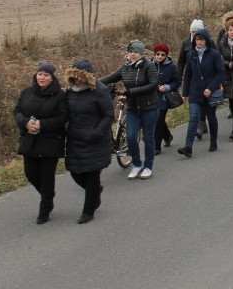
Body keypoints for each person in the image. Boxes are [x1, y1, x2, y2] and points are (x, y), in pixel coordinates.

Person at [13, 61, 68, 224]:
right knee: (30, 174)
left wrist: (41, 124)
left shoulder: (60, 95)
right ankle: (48, 195)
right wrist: (24, 122)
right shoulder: (27, 92)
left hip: (50, 141)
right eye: (40, 74)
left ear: (52, 78)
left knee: (46, 176)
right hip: (29, 141)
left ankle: (44, 209)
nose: (42, 77)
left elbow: (62, 117)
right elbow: (17, 111)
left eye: (46, 75)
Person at [100, 40, 159, 180]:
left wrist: (131, 92)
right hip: (132, 108)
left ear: (141, 53)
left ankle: (148, 166)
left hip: (149, 107)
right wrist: (90, 82)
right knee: (131, 137)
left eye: (135, 52)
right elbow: (110, 78)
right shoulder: (124, 67)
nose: (132, 55)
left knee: (148, 138)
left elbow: (153, 84)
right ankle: (137, 164)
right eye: (130, 52)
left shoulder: (148, 66)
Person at [64, 59, 113, 224]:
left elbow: (108, 115)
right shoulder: (70, 92)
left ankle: (88, 210)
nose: (78, 80)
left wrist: (96, 133)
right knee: (75, 172)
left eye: (80, 77)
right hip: (75, 139)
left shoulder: (100, 91)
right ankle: (95, 192)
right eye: (75, 77)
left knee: (92, 174)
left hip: (95, 140)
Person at [178, 28, 224, 158]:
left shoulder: (214, 54)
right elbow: (188, 75)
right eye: (197, 39)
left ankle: (213, 140)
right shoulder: (191, 55)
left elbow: (220, 73)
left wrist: (211, 88)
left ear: (206, 40)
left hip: (210, 92)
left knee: (211, 117)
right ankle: (188, 147)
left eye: (201, 39)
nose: (199, 42)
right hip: (195, 92)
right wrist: (185, 92)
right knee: (194, 118)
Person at [177, 19, 209, 141]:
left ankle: (201, 123)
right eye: (192, 31)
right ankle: (198, 124)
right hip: (191, 77)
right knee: (194, 101)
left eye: (196, 31)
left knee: (204, 101)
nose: (194, 34)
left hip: (205, 78)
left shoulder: (208, 42)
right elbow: (181, 62)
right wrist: (178, 77)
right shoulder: (185, 43)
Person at [152, 43, 181, 156]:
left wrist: (167, 87)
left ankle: (156, 146)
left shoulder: (171, 67)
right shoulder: (150, 65)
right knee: (157, 119)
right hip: (152, 97)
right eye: (157, 54)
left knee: (158, 120)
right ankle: (167, 136)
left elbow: (177, 82)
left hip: (164, 98)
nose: (159, 56)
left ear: (166, 55)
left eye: (162, 54)